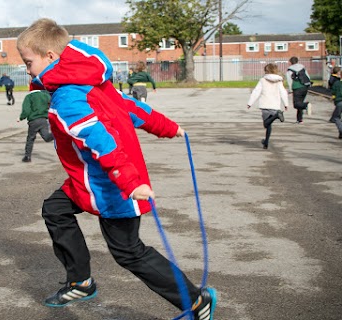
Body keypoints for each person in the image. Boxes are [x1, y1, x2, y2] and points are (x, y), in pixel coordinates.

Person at [16, 18, 216, 320]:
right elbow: (131, 106)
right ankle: (80, 281)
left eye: (28, 62)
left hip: (113, 184)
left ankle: (196, 302)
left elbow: (101, 141)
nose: (27, 69)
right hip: (88, 180)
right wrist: (168, 127)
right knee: (55, 209)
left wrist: (129, 181)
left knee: (129, 252)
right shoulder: (93, 83)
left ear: (50, 57)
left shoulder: (68, 98)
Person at [247, 63, 288, 149]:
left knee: (266, 124)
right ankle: (266, 142)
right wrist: (286, 104)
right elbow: (283, 92)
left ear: (266, 71)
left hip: (265, 104)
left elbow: (256, 91)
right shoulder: (279, 81)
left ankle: (277, 116)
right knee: (269, 125)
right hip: (275, 105)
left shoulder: (263, 80)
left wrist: (250, 103)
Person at [17, 86, 53, 162]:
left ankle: (27, 156)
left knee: (30, 138)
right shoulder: (46, 95)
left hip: (33, 120)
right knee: (46, 137)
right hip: (43, 119)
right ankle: (56, 134)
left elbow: (26, 110)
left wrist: (20, 118)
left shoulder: (29, 96)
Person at [286, 56, 312, 123]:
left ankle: (306, 105)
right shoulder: (302, 68)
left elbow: (289, 81)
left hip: (296, 87)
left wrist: (290, 89)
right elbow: (308, 76)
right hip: (304, 86)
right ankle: (299, 119)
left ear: (290, 62)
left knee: (296, 104)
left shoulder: (289, 70)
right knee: (300, 103)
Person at [330, 68, 342, 139]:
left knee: (336, 117)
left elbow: (333, 92)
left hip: (339, 102)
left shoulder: (337, 83)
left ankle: (341, 130)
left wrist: (333, 97)